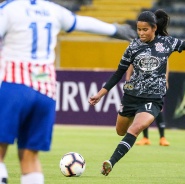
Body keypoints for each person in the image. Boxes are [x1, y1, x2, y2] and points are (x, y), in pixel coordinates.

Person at [89, 9, 185, 176]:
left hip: (153, 98)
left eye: (145, 29)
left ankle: (110, 162)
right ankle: (119, 148)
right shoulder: (133, 46)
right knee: (121, 131)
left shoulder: (167, 43)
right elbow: (118, 72)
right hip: (131, 96)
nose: (141, 33)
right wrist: (101, 94)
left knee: (135, 130)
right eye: (139, 29)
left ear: (154, 28)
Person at [0, 0, 136, 183]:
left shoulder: (9, 9)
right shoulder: (53, 10)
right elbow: (83, 22)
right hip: (45, 91)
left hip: (13, 85)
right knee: (30, 157)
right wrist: (115, 30)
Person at [126, 64, 170, 146]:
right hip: (141, 83)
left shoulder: (161, 51)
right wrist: (128, 77)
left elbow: (165, 64)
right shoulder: (138, 51)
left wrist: (165, 79)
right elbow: (131, 63)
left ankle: (162, 137)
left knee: (159, 109)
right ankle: (145, 138)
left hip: (157, 83)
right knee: (142, 108)